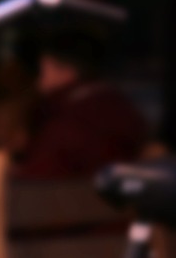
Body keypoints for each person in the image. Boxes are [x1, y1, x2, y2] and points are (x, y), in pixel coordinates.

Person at [13, 27, 148, 180]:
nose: (39, 82)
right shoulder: (119, 109)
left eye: (43, 71)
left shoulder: (68, 123)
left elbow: (38, 181)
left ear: (66, 71)